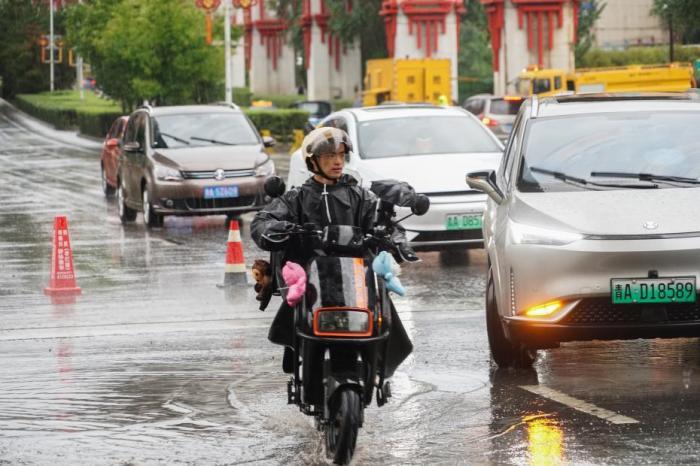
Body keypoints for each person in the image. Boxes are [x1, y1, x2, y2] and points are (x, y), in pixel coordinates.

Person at [251, 127, 414, 380]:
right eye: (329, 156)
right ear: (312, 161)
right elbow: (263, 220)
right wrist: (273, 228)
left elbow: (385, 224)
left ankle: (378, 369)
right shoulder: (296, 198)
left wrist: (396, 239)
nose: (337, 161)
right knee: (295, 315)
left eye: (340, 155)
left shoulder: (360, 195)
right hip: (312, 282)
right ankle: (302, 359)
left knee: (384, 311)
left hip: (356, 279)